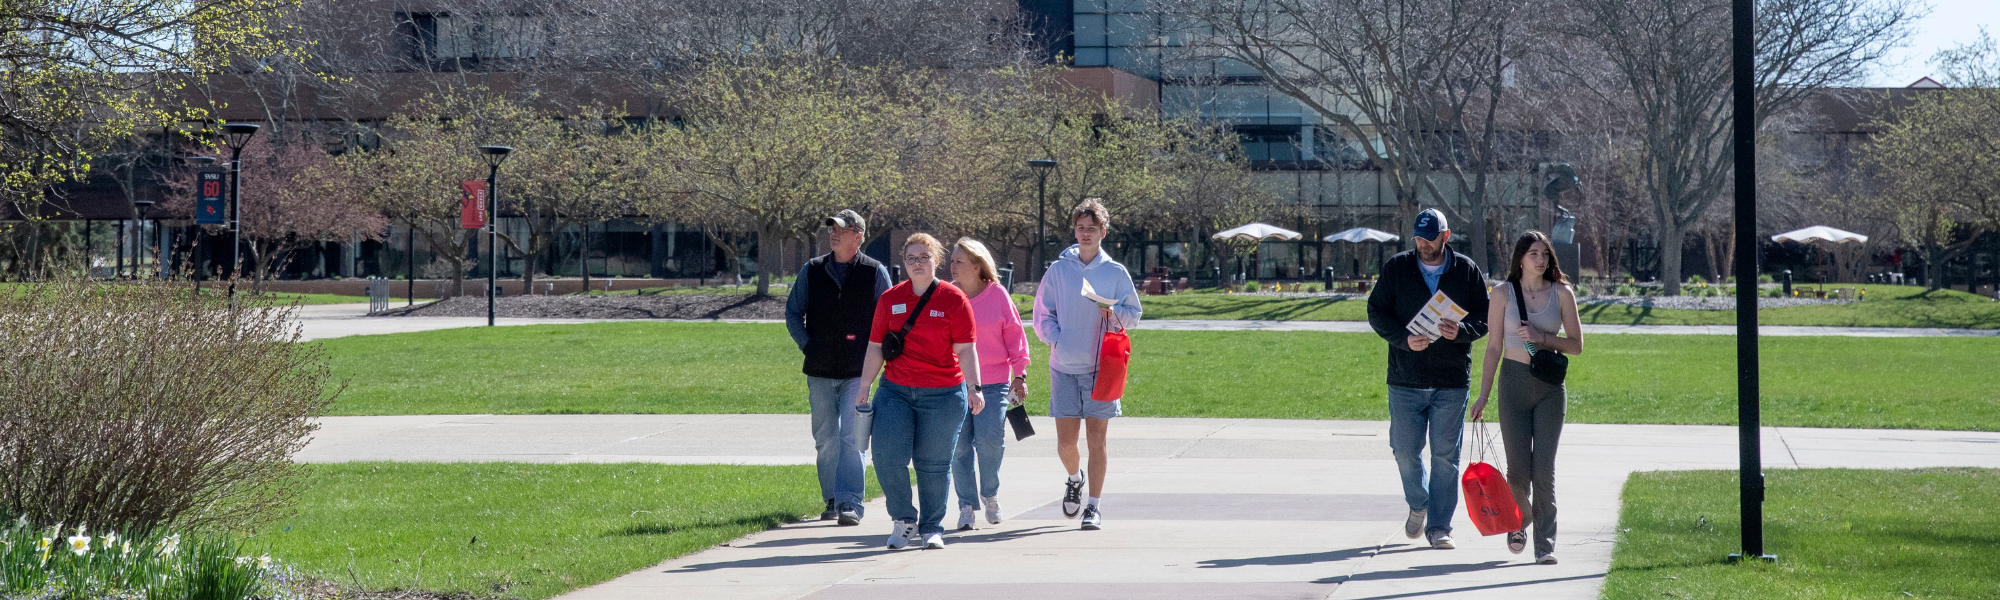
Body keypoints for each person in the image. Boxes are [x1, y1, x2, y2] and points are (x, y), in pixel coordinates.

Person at [1365, 208, 1490, 550]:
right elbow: (1376, 311)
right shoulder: (1397, 268)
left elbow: (1486, 316)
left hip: (1451, 381)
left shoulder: (1465, 270)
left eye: (1429, 238)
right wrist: (1402, 339)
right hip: (1405, 378)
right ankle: (1418, 501)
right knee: (1404, 451)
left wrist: (1461, 331)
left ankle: (1439, 526)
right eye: (1418, 238)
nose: (1422, 244)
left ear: (1445, 237)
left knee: (1445, 456)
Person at [853, 233, 984, 550]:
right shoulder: (890, 300)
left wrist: (974, 388)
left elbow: (966, 350)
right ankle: (904, 520)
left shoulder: (954, 300)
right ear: (904, 263)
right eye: (911, 258)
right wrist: (864, 387)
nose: (917, 263)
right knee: (886, 457)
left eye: (924, 257)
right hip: (895, 390)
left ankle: (931, 527)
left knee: (933, 464)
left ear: (936, 261)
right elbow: (875, 347)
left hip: (943, 395)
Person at [1473, 231, 1584, 565]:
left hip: (1549, 389)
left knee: (1544, 472)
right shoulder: (1503, 293)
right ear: (1520, 258)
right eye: (1534, 254)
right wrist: (1482, 395)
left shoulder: (1562, 293)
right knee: (1518, 474)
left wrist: (1543, 337)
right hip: (1513, 385)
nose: (1541, 260)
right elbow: (1493, 347)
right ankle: (1521, 519)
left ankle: (1545, 545)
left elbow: (1577, 345)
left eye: (1545, 255)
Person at [1033, 198, 1141, 531]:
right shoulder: (1058, 269)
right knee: (1066, 443)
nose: (1085, 233)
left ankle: (1093, 506)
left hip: (1101, 369)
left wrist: (1114, 313)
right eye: (1080, 228)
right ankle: (1073, 477)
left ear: (1103, 232)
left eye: (1091, 229)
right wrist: (1057, 338)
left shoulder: (1115, 273)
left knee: (1097, 440)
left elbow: (1134, 315)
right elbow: (1041, 314)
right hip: (1064, 365)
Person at [784, 209, 890, 527]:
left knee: (851, 437)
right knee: (825, 437)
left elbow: (888, 318)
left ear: (858, 236)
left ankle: (850, 502)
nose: (834, 233)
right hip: (819, 370)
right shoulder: (812, 270)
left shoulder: (875, 272)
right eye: (831, 228)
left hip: (859, 371)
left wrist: (877, 354)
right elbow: (793, 312)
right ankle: (831, 498)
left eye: (841, 229)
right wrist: (808, 345)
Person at [948, 237, 1030, 531]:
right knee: (958, 447)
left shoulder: (997, 295)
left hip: (994, 382)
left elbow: (1015, 336)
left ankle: (990, 494)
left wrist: (1020, 375)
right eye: (952, 260)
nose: (952, 266)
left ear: (976, 265)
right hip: (955, 384)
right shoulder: (948, 296)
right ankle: (967, 506)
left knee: (990, 440)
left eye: (958, 261)